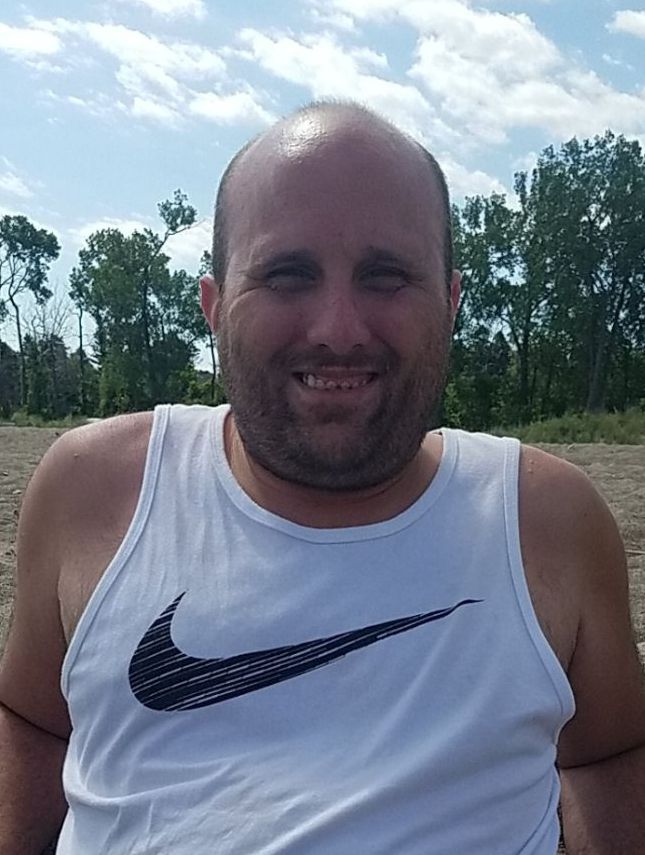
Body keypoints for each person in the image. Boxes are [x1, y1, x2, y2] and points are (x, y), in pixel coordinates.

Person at [0, 101, 644, 855]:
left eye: (386, 276)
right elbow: (32, 722)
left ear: (451, 302)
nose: (338, 329)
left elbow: (607, 756)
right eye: (287, 275)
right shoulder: (94, 489)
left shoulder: (546, 521)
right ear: (214, 305)